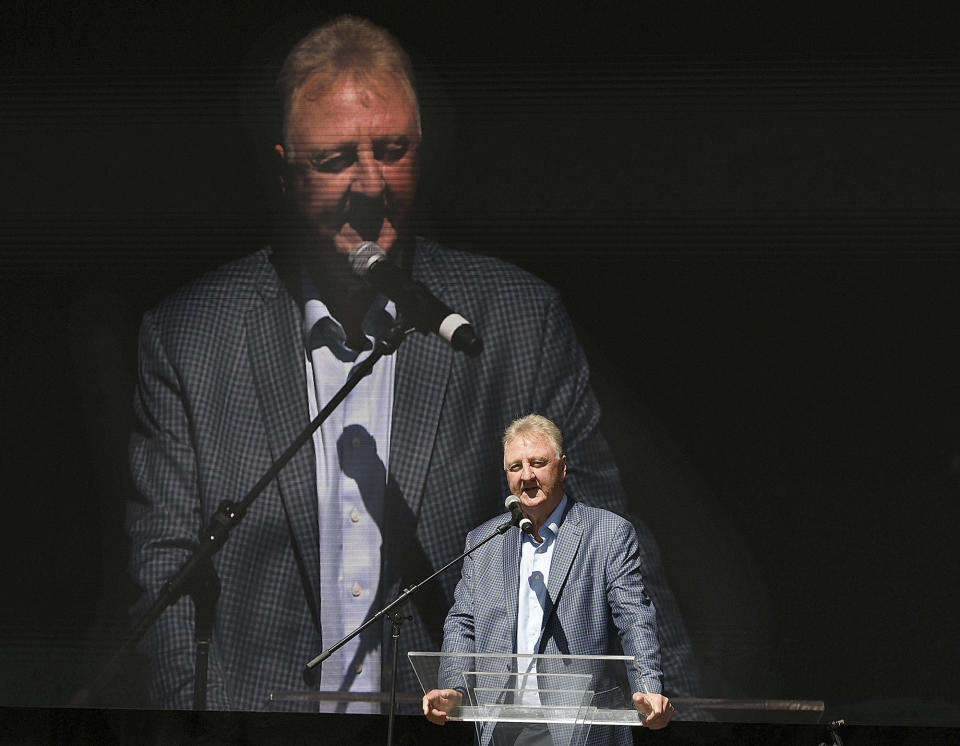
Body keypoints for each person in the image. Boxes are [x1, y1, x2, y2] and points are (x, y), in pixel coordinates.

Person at [126, 14, 697, 711]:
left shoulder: (516, 324)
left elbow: (607, 561)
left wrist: (676, 716)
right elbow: (164, 586)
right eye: (337, 160)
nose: (372, 184)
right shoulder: (192, 339)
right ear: (283, 173)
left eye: (393, 150)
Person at [422, 415, 673, 744]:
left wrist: (648, 689)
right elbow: (463, 622)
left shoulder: (607, 534)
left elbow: (634, 619)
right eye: (515, 467)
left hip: (578, 727)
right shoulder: (483, 542)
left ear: (563, 467)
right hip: (501, 727)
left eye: (538, 463)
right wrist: (453, 687)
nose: (526, 476)